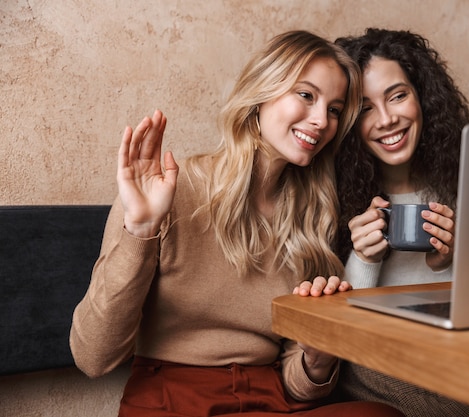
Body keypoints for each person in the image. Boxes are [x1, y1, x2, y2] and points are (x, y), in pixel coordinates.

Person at [69, 30, 404, 417]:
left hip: (270, 399)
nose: (320, 121)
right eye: (306, 95)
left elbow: (300, 385)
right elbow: (92, 357)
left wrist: (317, 356)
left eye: (333, 109)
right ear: (261, 92)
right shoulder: (170, 192)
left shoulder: (311, 215)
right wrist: (140, 231)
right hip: (172, 399)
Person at [330, 28, 469, 416]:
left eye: (397, 96)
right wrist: (365, 257)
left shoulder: (468, 183)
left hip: (457, 346)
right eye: (366, 108)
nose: (387, 120)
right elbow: (341, 331)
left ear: (422, 97)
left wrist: (447, 262)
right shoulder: (330, 195)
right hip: (376, 354)